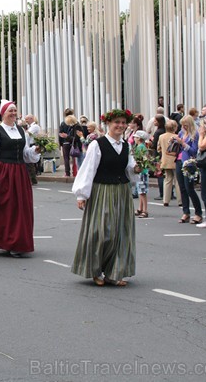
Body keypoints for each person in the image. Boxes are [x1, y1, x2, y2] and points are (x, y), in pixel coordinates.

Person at [72, 109, 139, 286]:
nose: (121, 125)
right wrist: (82, 194)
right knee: (102, 231)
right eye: (117, 122)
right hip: (102, 190)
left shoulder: (126, 145)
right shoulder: (97, 144)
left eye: (123, 122)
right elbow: (88, 169)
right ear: (108, 124)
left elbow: (130, 168)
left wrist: (137, 169)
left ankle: (114, 272)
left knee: (121, 233)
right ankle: (95, 270)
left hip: (122, 191)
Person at [0, 100, 41, 256]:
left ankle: (18, 242)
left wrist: (36, 151)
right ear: (3, 113)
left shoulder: (21, 131)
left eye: (15, 110)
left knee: (21, 208)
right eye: (10, 110)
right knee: (7, 208)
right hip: (3, 173)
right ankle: (9, 241)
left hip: (20, 173)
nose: (13, 113)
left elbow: (25, 154)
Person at [173, 116, 203, 224]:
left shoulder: (195, 135)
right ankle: (186, 212)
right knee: (182, 188)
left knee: (189, 188)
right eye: (182, 125)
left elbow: (194, 151)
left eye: (185, 125)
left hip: (189, 163)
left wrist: (183, 143)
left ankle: (198, 213)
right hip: (179, 160)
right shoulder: (181, 133)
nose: (183, 127)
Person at [157, 120, 181, 208]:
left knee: (167, 179)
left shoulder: (161, 137)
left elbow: (158, 148)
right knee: (177, 180)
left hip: (165, 160)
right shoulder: (177, 136)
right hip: (175, 160)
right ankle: (180, 200)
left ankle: (166, 200)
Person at [132, 130, 151, 218]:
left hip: (142, 172)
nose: (134, 138)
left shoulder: (140, 147)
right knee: (140, 191)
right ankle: (140, 208)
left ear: (139, 138)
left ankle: (145, 210)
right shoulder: (141, 146)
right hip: (141, 172)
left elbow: (143, 159)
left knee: (142, 191)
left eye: (135, 137)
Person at [58, 109, 75, 177]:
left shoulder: (63, 123)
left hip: (65, 143)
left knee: (66, 158)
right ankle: (75, 172)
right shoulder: (74, 122)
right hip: (73, 142)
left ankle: (67, 173)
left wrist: (61, 143)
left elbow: (60, 134)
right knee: (74, 157)